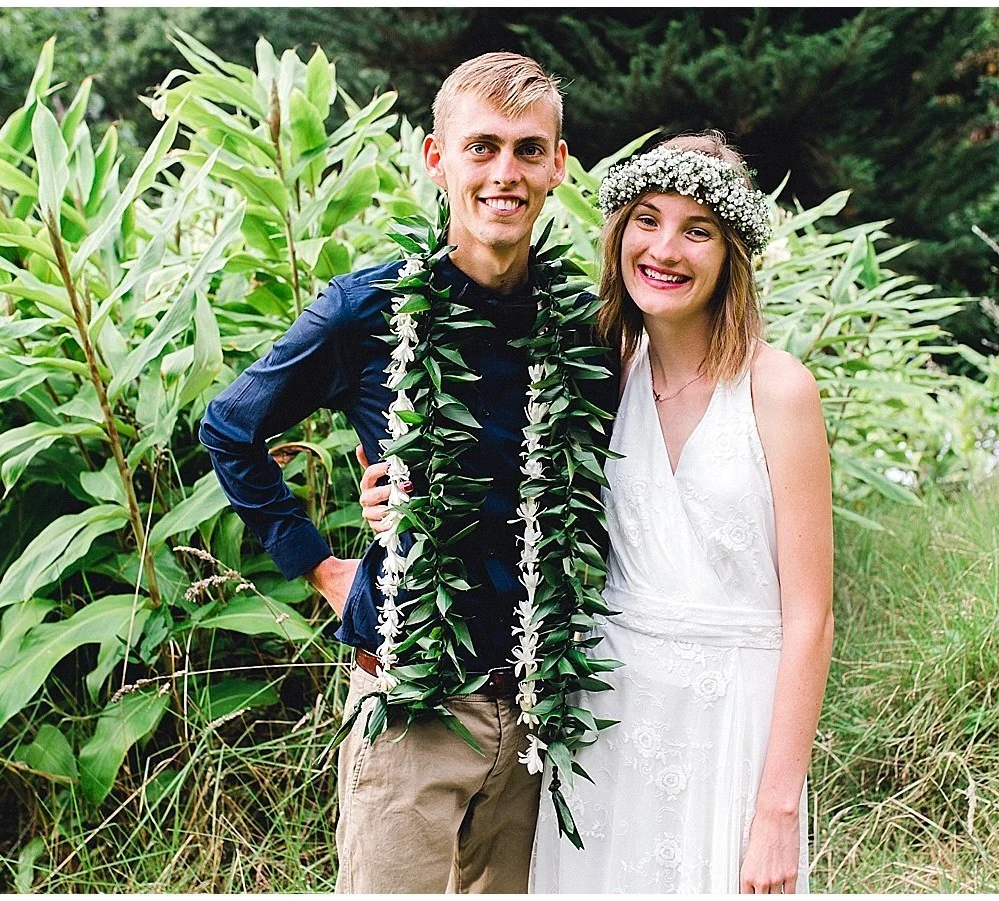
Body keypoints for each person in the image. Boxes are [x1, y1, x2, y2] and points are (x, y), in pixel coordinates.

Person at [362, 132, 833, 892]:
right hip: (607, 718)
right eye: (646, 219)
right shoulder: (598, 365)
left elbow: (810, 616)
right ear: (619, 234)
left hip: (730, 725)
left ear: (733, 251)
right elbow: (511, 487)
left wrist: (777, 808)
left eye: (697, 229)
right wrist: (395, 496)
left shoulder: (778, 390)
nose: (666, 249)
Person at [199, 53, 616, 893]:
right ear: (437, 159)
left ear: (558, 166)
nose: (506, 172)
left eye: (530, 150)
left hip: (538, 704)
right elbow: (228, 426)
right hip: (413, 700)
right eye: (482, 147)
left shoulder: (582, 326)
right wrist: (319, 565)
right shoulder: (369, 309)